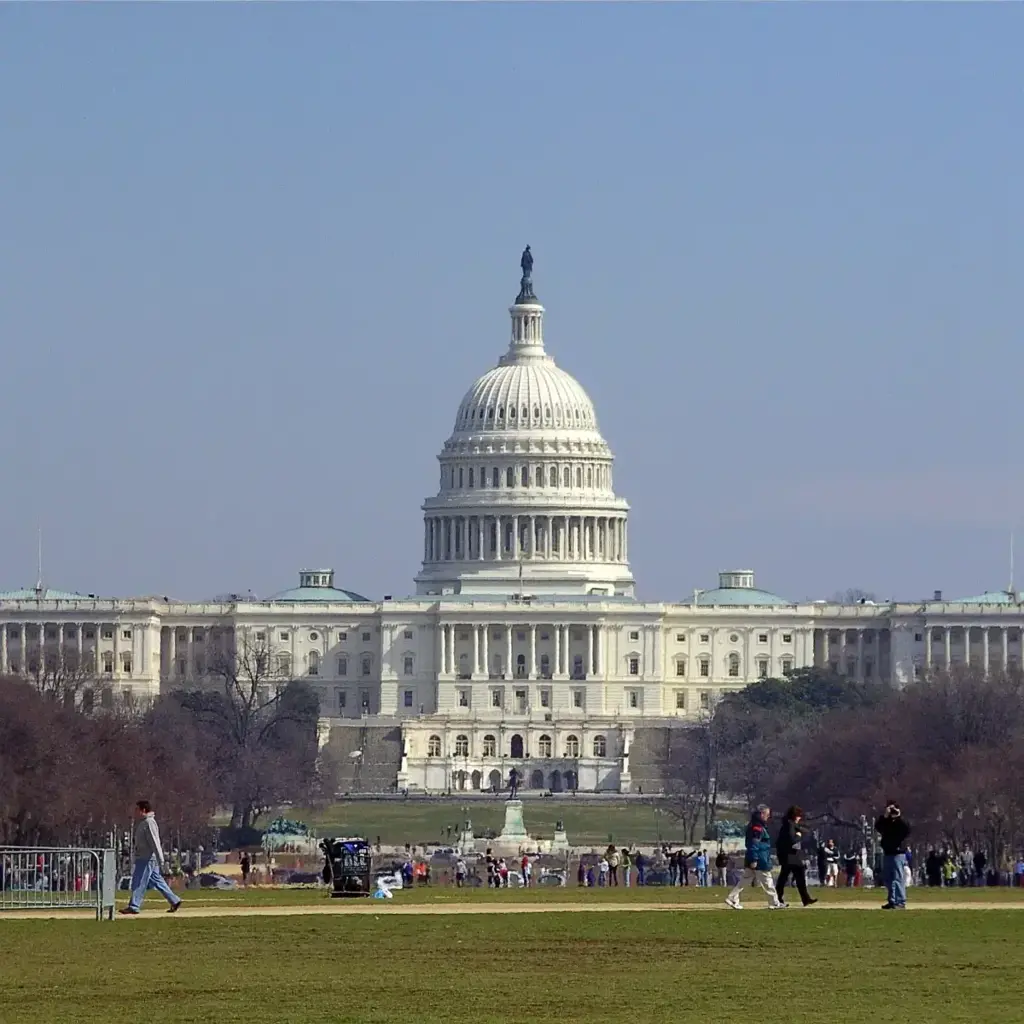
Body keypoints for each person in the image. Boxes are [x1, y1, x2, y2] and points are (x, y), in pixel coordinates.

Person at [119, 800, 182, 915]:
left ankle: (134, 906)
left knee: (138, 881)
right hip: (145, 857)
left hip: (147, 858)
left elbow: (155, 842)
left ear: (143, 810)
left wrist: (161, 860)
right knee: (157, 881)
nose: (135, 812)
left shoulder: (149, 823)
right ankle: (174, 900)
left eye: (137, 809)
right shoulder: (144, 823)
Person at [726, 805, 782, 910]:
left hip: (754, 857)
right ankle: (774, 902)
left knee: (744, 880)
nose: (768, 817)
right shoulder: (757, 828)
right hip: (760, 858)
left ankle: (732, 897)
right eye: (767, 814)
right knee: (767, 881)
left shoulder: (755, 826)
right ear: (761, 814)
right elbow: (754, 844)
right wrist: (755, 859)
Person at [774, 806, 817, 908]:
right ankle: (778, 898)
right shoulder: (789, 825)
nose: (800, 818)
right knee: (784, 878)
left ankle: (805, 898)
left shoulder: (790, 824)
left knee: (796, 877)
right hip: (789, 855)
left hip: (792, 855)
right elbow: (792, 840)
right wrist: (798, 835)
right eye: (798, 816)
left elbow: (803, 829)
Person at [876, 800, 912, 909]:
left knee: (897, 878)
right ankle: (892, 900)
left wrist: (898, 817)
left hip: (898, 853)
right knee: (888, 879)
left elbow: (907, 830)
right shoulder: (886, 822)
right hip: (888, 853)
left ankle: (900, 901)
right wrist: (885, 816)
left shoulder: (901, 823)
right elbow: (878, 827)